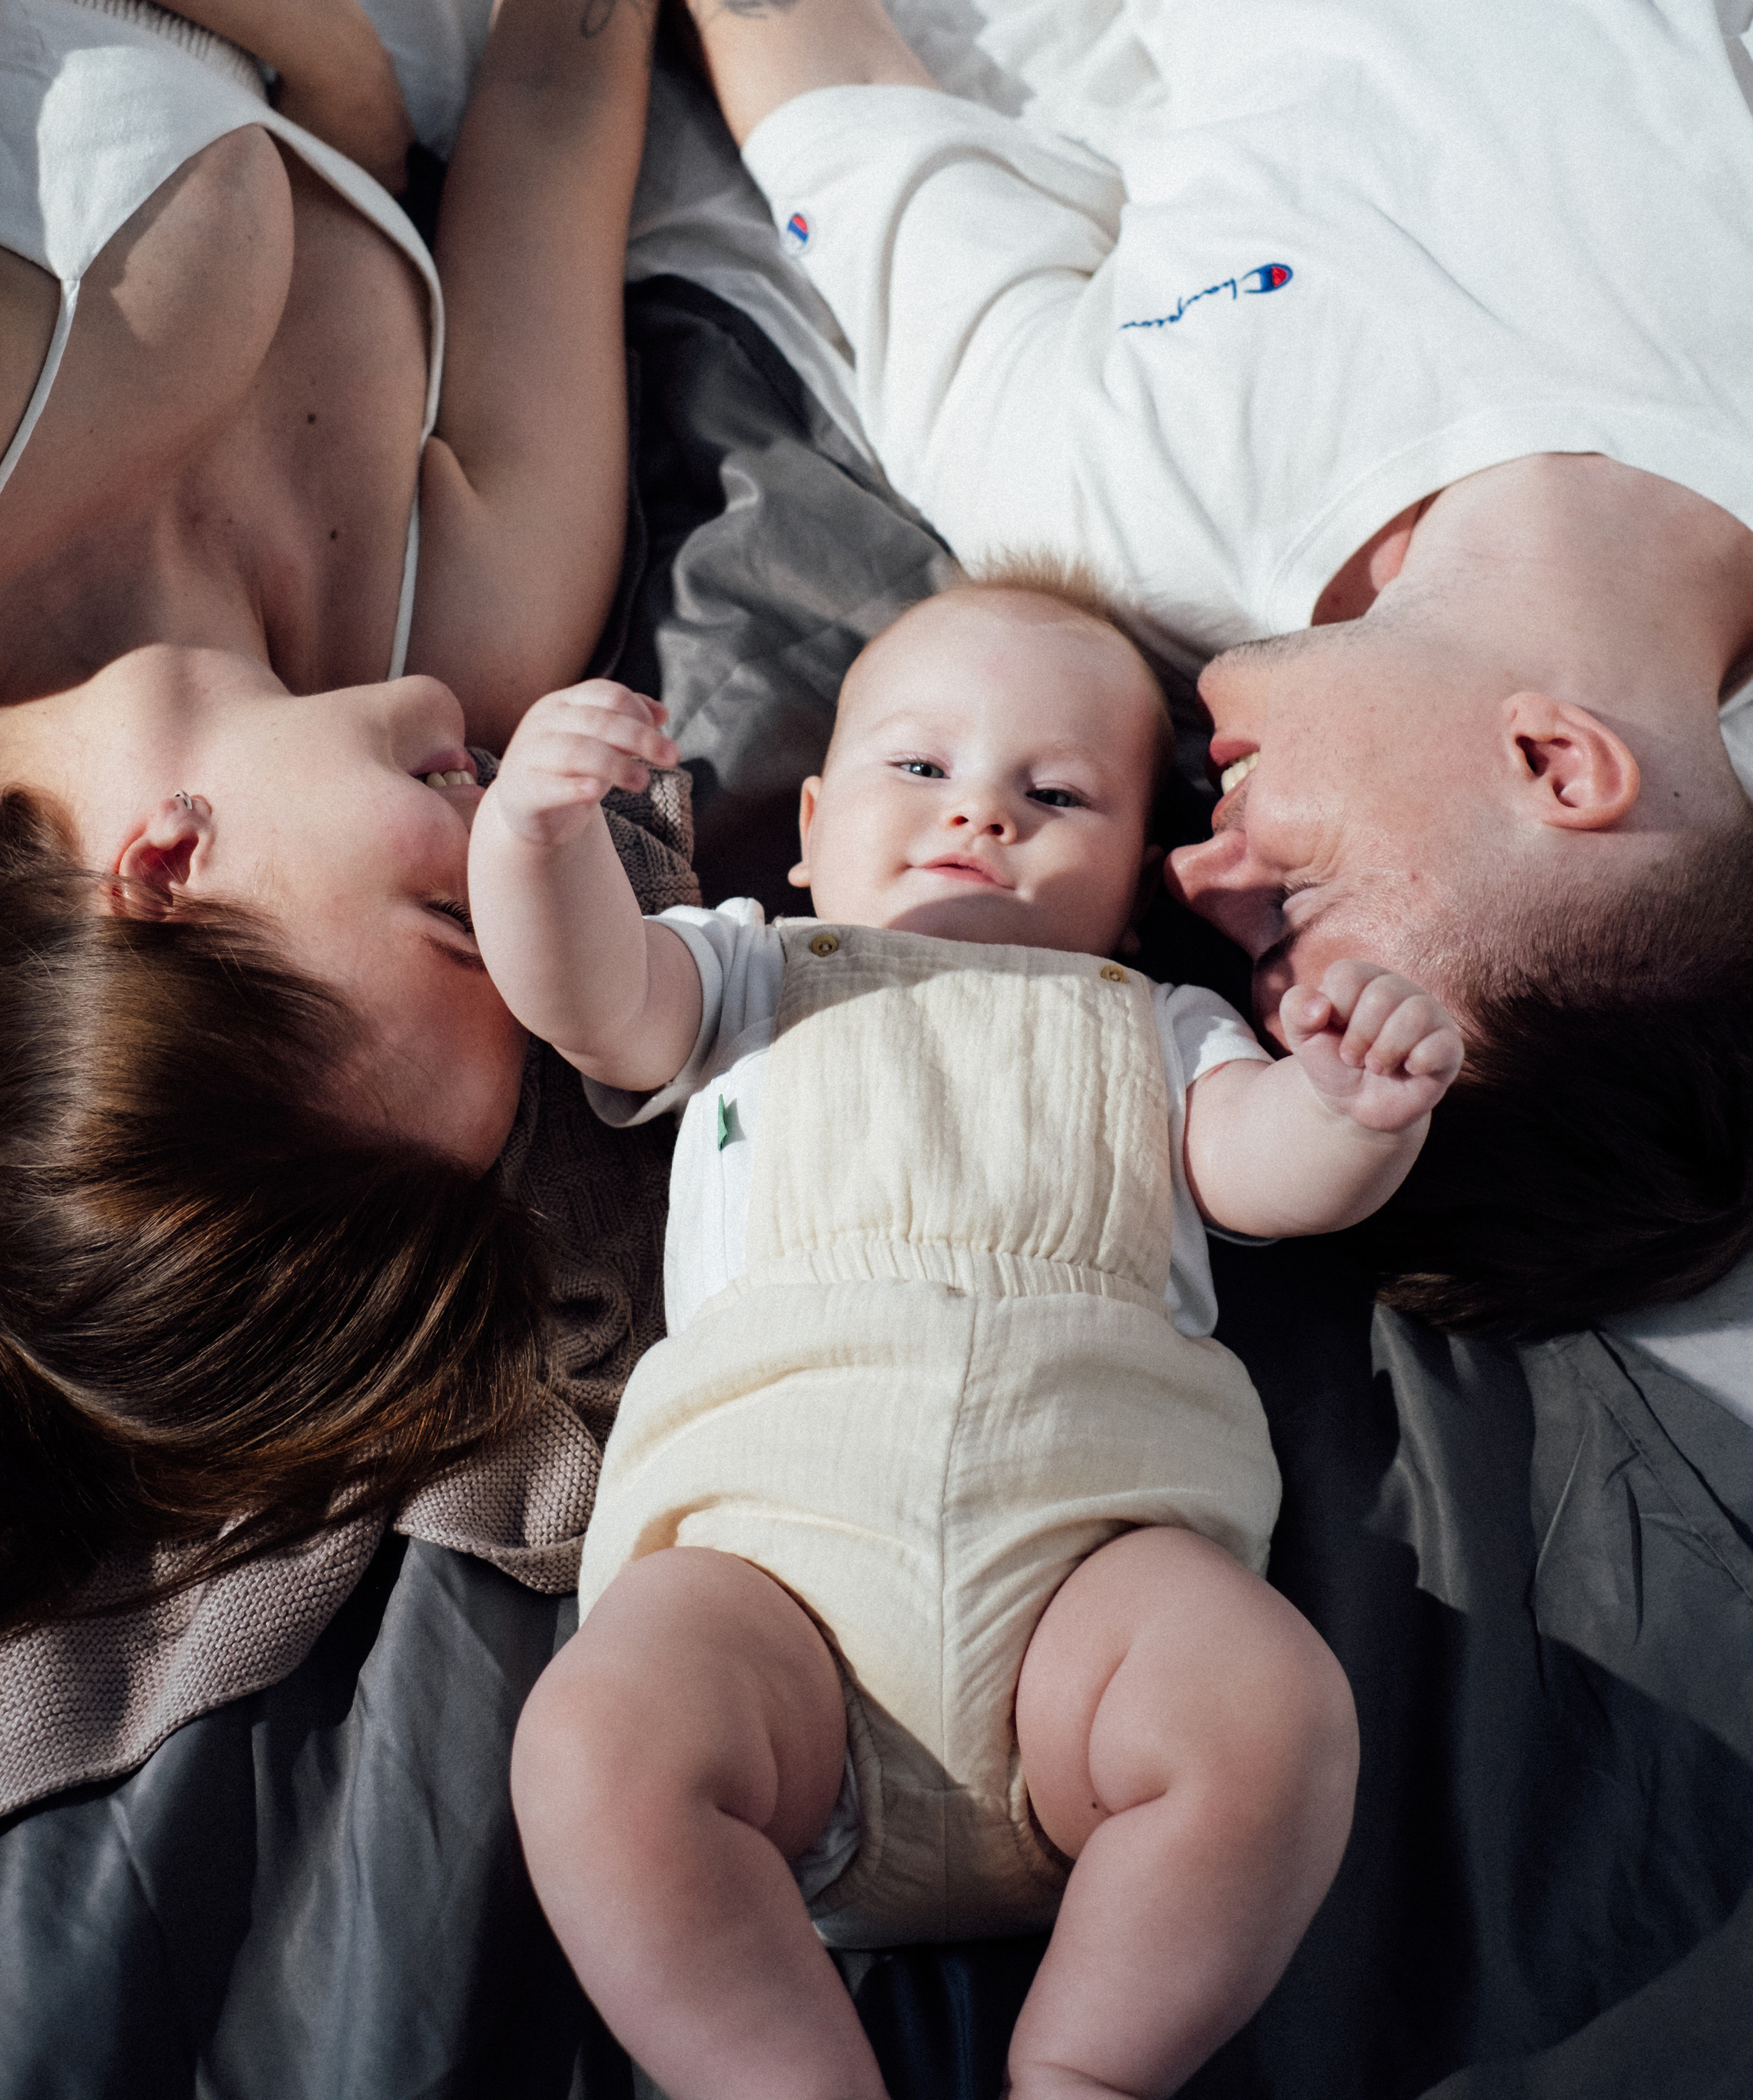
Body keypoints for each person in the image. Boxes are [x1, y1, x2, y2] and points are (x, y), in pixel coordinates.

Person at [517, 0, 1753, 1335]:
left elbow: (835, 119)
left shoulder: (1111, 530)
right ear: (1559, 767)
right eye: (1288, 909)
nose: (1188, 870)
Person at [0, 0, 693, 1655]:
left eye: (451, 913)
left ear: (158, 870)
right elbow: (557, 109)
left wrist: (311, 35)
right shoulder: (466, 627)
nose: (525, 851)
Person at [467, 573, 1463, 2100]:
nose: (977, 814)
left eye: (1052, 792)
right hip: (769, 1591)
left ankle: (1085, 2070)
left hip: (1089, 1591)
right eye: (918, 767)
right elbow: (588, 996)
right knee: (595, 1746)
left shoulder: (1152, 1027)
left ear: (1131, 883)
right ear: (804, 832)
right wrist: (533, 840)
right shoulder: (740, 978)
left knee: (1272, 1711)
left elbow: (1269, 1171)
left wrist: (1350, 1107)